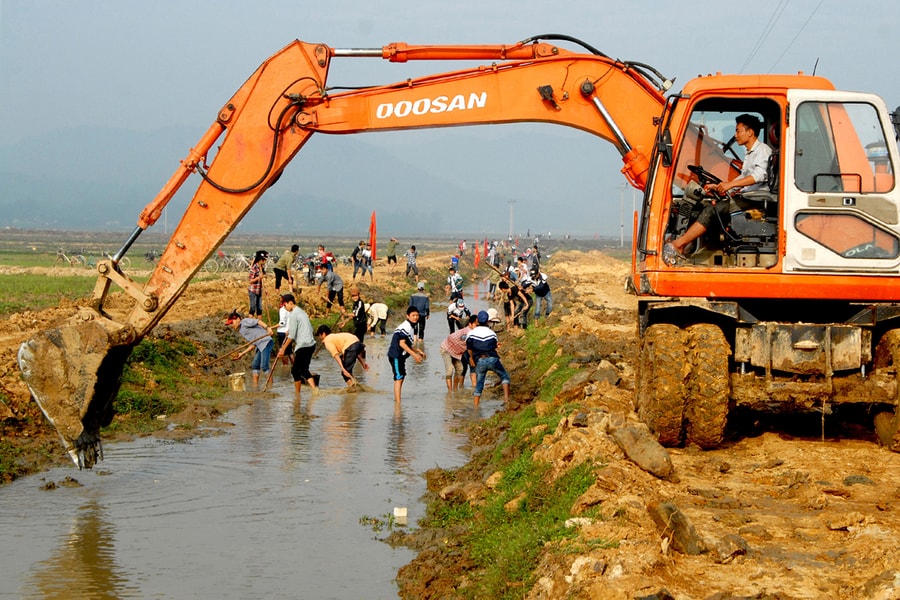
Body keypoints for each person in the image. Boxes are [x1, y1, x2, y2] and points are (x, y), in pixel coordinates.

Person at [665, 113, 772, 265]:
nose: (735, 135)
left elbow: (759, 176)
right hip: (746, 197)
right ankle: (697, 249)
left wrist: (731, 185)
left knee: (710, 211)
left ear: (750, 132)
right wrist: (720, 185)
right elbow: (743, 176)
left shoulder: (762, 151)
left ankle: (678, 245)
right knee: (704, 207)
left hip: (755, 200)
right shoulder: (750, 153)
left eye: (738, 131)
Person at [274, 293, 319, 393]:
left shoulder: (294, 314)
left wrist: (282, 349)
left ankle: (297, 395)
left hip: (303, 346)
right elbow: (306, 328)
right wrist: (289, 331)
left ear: (290, 303)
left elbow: (291, 337)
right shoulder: (301, 312)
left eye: (285, 305)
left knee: (295, 371)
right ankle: (315, 390)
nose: (285, 308)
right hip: (311, 344)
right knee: (304, 369)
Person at [466, 310, 511, 405]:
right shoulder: (492, 333)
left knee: (479, 384)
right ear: (487, 321)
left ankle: (476, 407)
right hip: (492, 359)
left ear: (477, 320)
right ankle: (506, 400)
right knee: (504, 377)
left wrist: (471, 358)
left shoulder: (471, 333)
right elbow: (494, 345)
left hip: (480, 360)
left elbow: (469, 348)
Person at [225, 309, 273, 387]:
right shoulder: (241, 330)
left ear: (238, 319)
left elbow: (258, 321)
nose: (231, 325)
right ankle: (255, 388)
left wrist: (268, 328)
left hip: (266, 342)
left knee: (264, 366)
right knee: (255, 365)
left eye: (231, 322)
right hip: (259, 345)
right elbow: (253, 344)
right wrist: (242, 354)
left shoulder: (244, 322)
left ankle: (271, 387)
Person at [387, 306, 426, 402]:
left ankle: (398, 399)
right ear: (408, 316)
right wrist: (414, 355)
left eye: (417, 315)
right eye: (413, 315)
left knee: (402, 376)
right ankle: (398, 403)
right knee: (398, 378)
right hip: (396, 355)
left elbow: (406, 343)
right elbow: (402, 343)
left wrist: (417, 350)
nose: (416, 317)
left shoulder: (411, 326)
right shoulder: (406, 326)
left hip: (401, 356)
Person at [440, 315, 475, 391]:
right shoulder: (468, 333)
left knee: (460, 369)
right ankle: (449, 392)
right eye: (476, 324)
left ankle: (455, 390)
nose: (477, 326)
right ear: (470, 324)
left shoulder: (472, 332)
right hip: (446, 349)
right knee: (450, 369)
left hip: (456, 352)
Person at [408, 281, 431, 345]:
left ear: (417, 288)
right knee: (421, 328)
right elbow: (427, 307)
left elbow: (410, 306)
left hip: (414, 314)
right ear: (423, 288)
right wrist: (428, 314)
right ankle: (421, 343)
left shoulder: (412, 296)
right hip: (422, 314)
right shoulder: (426, 297)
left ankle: (414, 341)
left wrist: (409, 314)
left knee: (415, 327)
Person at [247, 250, 268, 317]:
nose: (265, 262)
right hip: (253, 291)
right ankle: (249, 323)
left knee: (259, 308)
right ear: (260, 260)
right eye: (264, 260)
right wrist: (258, 277)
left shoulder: (261, 268)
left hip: (259, 290)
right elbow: (250, 281)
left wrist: (265, 289)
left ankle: (260, 325)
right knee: (253, 307)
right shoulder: (254, 268)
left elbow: (262, 281)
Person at [276, 294, 293, 365]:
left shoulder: (282, 310)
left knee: (285, 352)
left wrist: (270, 327)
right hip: (289, 332)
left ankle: (285, 368)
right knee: (290, 352)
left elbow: (282, 323)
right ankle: (295, 367)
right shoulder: (291, 309)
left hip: (282, 333)